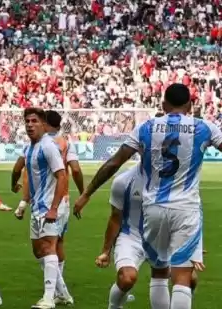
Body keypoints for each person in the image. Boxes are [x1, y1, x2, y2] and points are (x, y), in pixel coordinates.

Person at [74, 83, 222, 309]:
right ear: (190, 106)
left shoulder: (146, 127)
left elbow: (115, 162)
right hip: (186, 208)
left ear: (163, 105)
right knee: (183, 277)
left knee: (160, 273)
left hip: (153, 209)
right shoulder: (205, 128)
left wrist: (87, 192)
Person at [96, 163, 203, 309]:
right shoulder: (124, 181)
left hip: (163, 237)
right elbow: (115, 217)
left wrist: (192, 243)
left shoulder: (176, 180)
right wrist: (105, 251)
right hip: (132, 237)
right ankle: (114, 306)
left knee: (190, 278)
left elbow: (189, 212)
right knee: (127, 278)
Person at [12, 110, 83, 305]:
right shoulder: (31, 148)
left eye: (34, 121)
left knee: (49, 247)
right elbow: (22, 173)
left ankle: (48, 298)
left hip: (51, 206)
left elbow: (62, 176)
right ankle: (63, 294)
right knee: (39, 251)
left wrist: (53, 208)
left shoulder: (49, 146)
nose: (29, 124)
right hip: (38, 206)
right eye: (27, 121)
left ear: (44, 124)